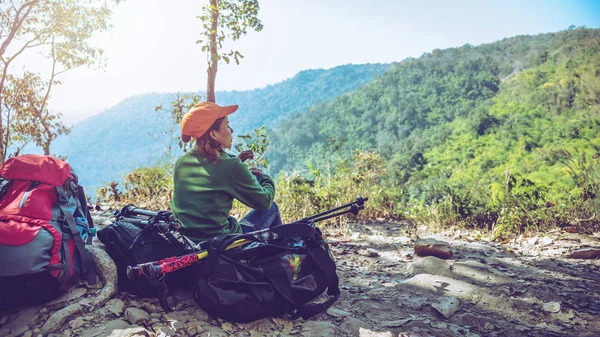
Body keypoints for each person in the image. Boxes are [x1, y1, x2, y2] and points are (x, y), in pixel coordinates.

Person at [170, 101, 282, 243]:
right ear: (214, 134)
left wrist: (237, 162)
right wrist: (265, 178)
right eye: (227, 126)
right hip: (222, 244)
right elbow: (264, 202)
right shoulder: (230, 166)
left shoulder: (182, 162)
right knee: (272, 208)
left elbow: (212, 175)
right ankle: (279, 257)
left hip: (189, 242)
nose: (232, 130)